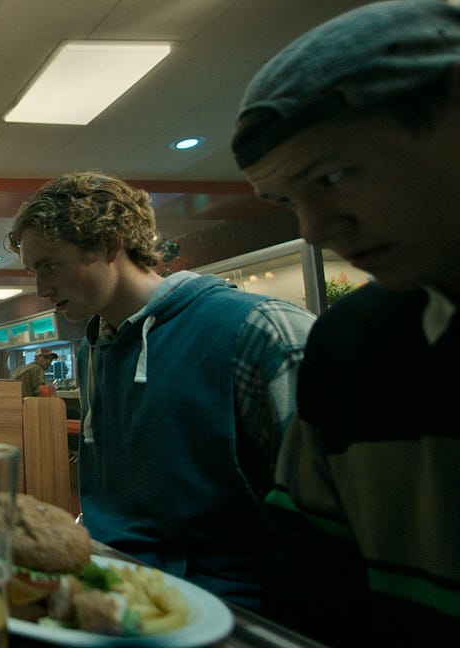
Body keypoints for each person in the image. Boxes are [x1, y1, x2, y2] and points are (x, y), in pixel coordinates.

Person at [232, 2, 460, 642]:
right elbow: (306, 584)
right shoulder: (348, 345)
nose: (313, 228)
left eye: (331, 176)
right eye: (287, 200)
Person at [5, 171, 315, 608]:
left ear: (109, 244)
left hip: (227, 607)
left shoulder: (259, 331)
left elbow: (331, 520)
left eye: (51, 265)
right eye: (34, 271)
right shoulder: (95, 347)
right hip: (110, 590)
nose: (41, 289)